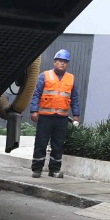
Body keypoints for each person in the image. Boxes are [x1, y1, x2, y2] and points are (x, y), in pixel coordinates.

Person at [30, 49, 81, 178]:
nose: (62, 64)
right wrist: (34, 111)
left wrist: (76, 115)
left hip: (62, 118)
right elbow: (36, 95)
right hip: (45, 117)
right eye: (60, 61)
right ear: (54, 62)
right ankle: (37, 170)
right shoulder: (45, 76)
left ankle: (54, 170)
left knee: (58, 145)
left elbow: (74, 98)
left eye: (65, 62)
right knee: (41, 143)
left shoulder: (71, 78)